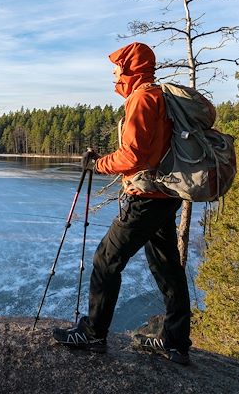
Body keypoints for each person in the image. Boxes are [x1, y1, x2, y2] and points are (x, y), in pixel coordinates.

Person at [52, 42, 192, 365]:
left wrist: (97, 164)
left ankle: (93, 334)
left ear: (131, 67)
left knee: (105, 260)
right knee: (167, 267)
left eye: (117, 67)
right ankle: (176, 341)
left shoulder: (143, 99)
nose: (114, 73)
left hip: (145, 198)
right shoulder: (157, 96)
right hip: (164, 196)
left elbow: (133, 155)